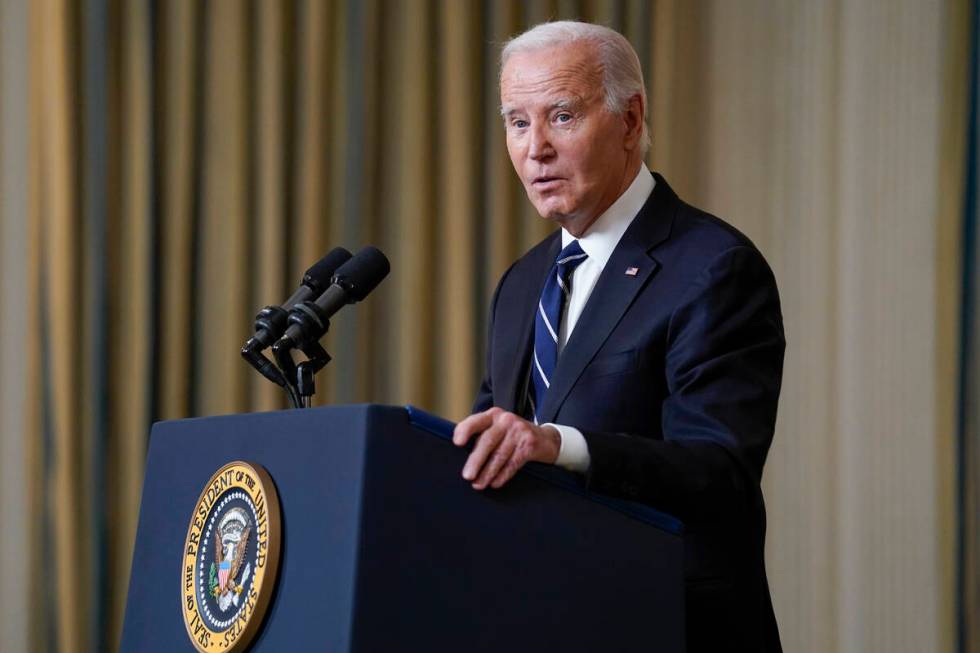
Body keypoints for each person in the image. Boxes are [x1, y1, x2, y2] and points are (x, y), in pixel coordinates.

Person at [451, 21, 785, 651]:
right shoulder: (522, 284)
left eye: (562, 116)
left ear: (630, 121)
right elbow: (491, 454)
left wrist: (558, 445)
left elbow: (720, 472)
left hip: (672, 626)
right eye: (517, 122)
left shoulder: (712, 267)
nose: (535, 148)